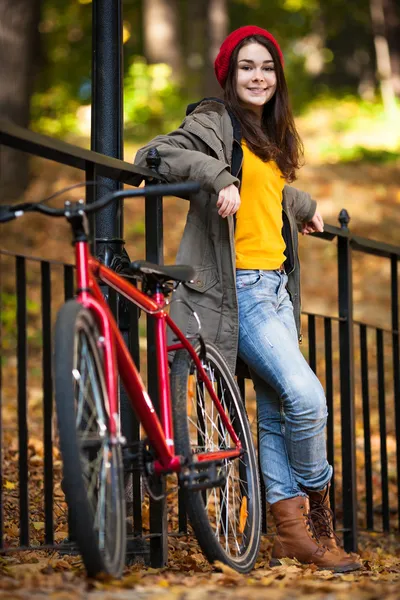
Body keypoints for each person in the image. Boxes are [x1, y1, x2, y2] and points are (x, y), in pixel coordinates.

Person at [135, 25, 361, 572]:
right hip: (239, 289)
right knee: (306, 398)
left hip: (276, 288)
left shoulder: (267, 134)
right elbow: (153, 155)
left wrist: (302, 204)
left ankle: (291, 535)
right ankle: (319, 515)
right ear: (228, 75)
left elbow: (270, 191)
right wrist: (215, 177)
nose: (257, 76)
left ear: (276, 78)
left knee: (280, 409)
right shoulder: (213, 122)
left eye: (266, 67)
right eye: (246, 67)